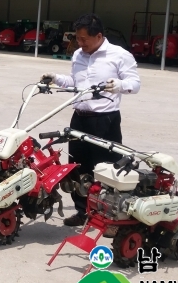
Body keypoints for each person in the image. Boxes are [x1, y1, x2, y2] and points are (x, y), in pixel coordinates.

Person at [41, 13, 141, 229]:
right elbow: (75, 82)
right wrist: (56, 79)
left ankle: (109, 218)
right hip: (79, 119)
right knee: (79, 169)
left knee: (107, 171)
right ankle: (81, 211)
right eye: (78, 38)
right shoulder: (78, 54)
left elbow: (135, 83)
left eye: (84, 39)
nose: (80, 43)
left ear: (99, 36)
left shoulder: (119, 55)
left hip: (105, 121)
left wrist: (119, 85)